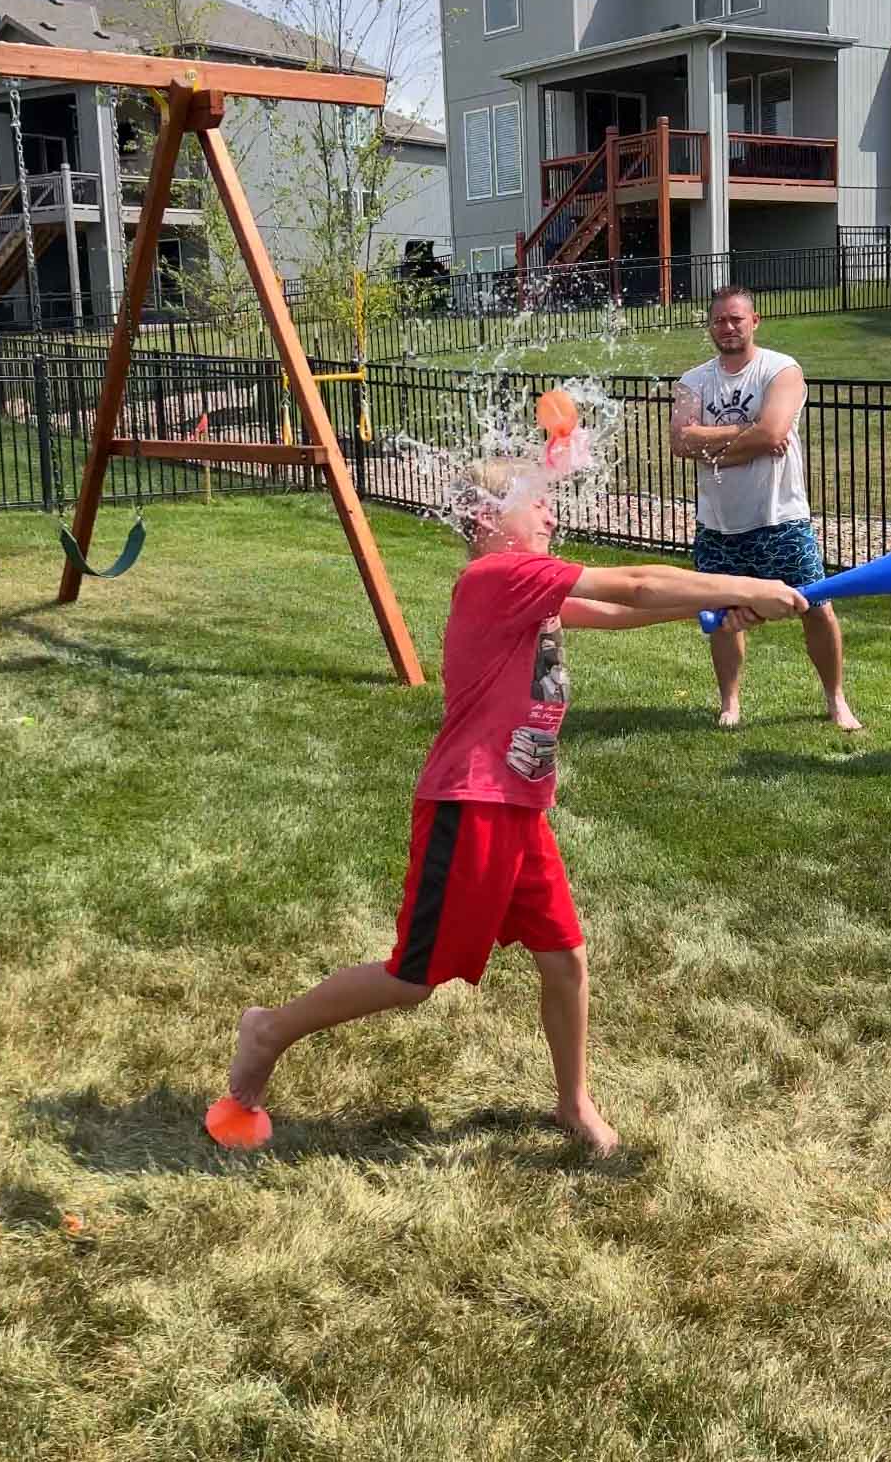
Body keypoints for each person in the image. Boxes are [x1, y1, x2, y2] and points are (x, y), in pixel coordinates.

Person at [223, 458, 808, 1155]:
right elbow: (636, 581)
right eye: (536, 504)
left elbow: (622, 608)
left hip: (518, 806)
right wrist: (750, 583)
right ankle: (269, 1029)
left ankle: (572, 1101)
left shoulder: (528, 588)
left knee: (564, 957)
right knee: (414, 978)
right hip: (468, 804)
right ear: (483, 519)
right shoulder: (495, 577)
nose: (551, 516)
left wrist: (715, 609)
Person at [670, 285, 861, 732]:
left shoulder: (781, 370)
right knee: (722, 617)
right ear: (710, 326)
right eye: (719, 320)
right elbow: (680, 442)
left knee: (815, 605)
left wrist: (715, 444)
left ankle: (836, 699)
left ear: (755, 321)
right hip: (717, 523)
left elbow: (774, 433)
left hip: (780, 517)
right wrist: (747, 436)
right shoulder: (691, 381)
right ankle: (730, 703)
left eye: (737, 319)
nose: (728, 327)